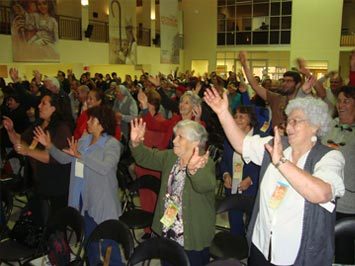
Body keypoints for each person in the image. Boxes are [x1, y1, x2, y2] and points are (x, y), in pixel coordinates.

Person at [204, 88, 345, 266]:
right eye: (288, 120)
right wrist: (223, 113)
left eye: (296, 121)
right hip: (261, 244)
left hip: (297, 253)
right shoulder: (276, 145)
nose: (289, 126)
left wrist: (281, 162)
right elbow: (242, 144)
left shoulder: (329, 157)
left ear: (315, 126)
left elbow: (321, 194)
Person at [33, 105, 122, 266]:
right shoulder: (84, 140)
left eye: (91, 119)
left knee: (109, 243)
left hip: (102, 201)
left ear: (101, 123)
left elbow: (105, 167)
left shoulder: (111, 144)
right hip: (83, 199)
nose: (87, 122)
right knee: (90, 243)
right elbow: (64, 159)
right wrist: (49, 146)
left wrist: (80, 156)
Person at [130, 118, 216, 266]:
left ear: (195, 142)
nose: (174, 140)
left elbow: (205, 185)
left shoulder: (205, 163)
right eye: (175, 136)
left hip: (192, 234)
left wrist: (193, 171)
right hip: (168, 228)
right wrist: (136, 144)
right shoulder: (171, 157)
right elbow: (146, 157)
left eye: (180, 137)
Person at [3, 93, 72, 214]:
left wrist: (28, 151)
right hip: (38, 181)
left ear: (53, 108)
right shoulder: (40, 124)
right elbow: (21, 141)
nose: (39, 106)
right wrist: (11, 131)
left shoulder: (61, 128)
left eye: (43, 103)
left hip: (55, 183)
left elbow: (49, 157)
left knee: (53, 223)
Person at [323, 86, 355, 264]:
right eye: (340, 101)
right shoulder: (331, 125)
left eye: (347, 101)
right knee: (324, 245)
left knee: (344, 250)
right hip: (325, 198)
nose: (341, 105)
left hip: (348, 203)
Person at [219, 106, 262, 236]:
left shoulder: (260, 138)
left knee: (252, 223)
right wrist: (226, 175)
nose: (237, 119)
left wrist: (251, 179)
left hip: (252, 188)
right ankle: (236, 246)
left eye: (242, 116)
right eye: (236, 116)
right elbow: (224, 161)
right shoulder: (229, 137)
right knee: (235, 219)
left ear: (251, 119)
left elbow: (264, 165)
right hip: (233, 185)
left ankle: (249, 248)